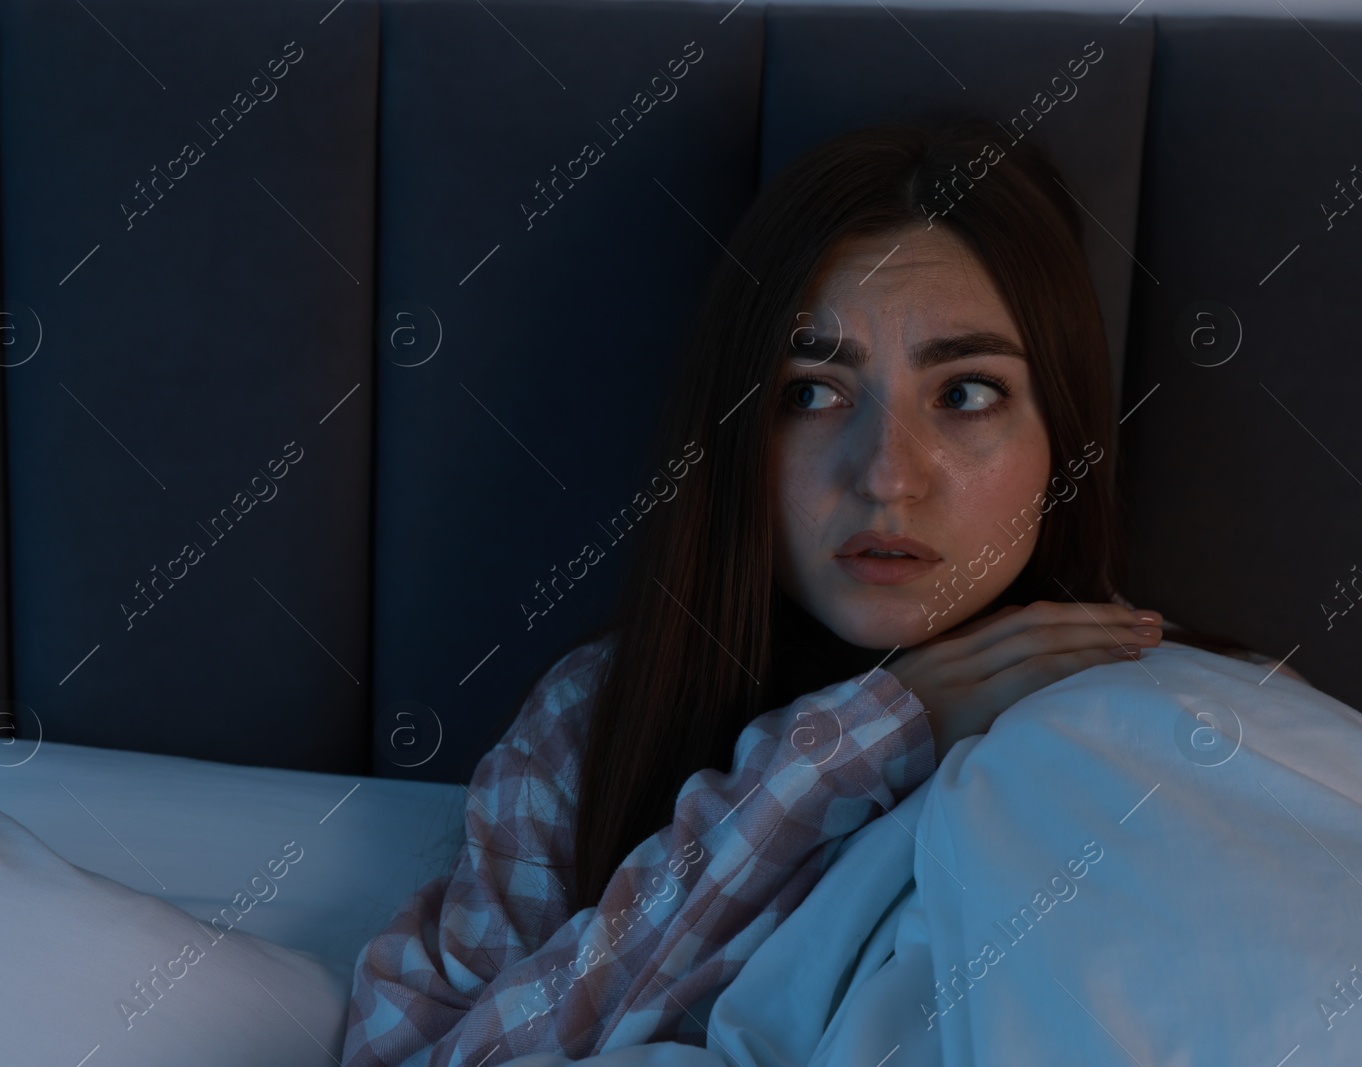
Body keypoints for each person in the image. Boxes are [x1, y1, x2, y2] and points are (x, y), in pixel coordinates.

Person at [339, 118, 1303, 1067]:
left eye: (966, 393)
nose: (886, 475)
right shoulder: (593, 721)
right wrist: (852, 746)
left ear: (1065, 437)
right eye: (811, 391)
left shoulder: (1158, 720)